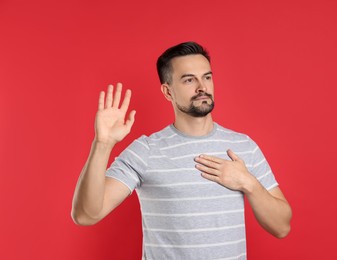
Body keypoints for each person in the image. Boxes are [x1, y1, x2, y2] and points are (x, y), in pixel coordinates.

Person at [71, 42, 292, 259]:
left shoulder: (243, 146)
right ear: (168, 92)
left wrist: (248, 183)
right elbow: (86, 214)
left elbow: (281, 227)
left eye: (207, 77)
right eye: (189, 80)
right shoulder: (146, 150)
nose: (202, 87)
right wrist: (102, 144)